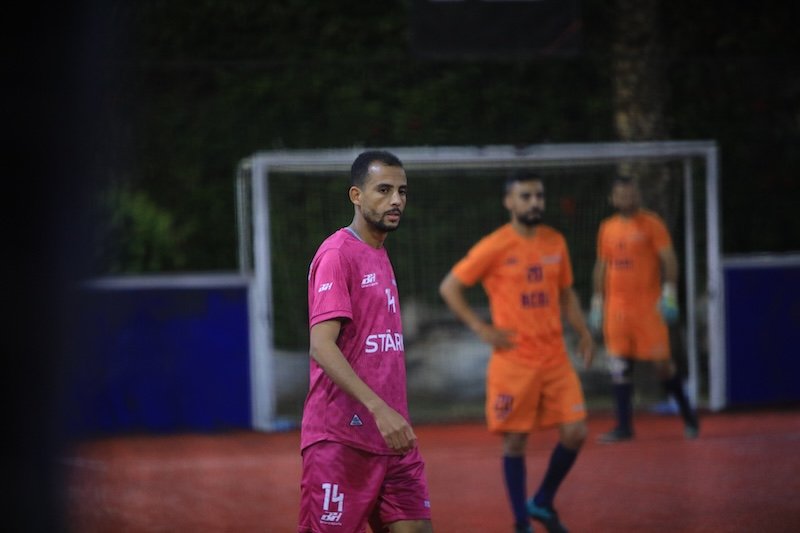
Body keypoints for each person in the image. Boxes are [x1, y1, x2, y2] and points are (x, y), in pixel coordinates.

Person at [439, 172, 594, 533]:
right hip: (514, 360)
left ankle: (542, 501)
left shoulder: (555, 241)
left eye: (539, 196)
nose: (535, 202)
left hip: (555, 357)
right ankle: (522, 522)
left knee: (576, 432)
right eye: (526, 196)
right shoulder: (495, 246)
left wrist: (584, 332)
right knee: (515, 441)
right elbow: (450, 287)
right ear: (509, 202)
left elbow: (566, 293)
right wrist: (481, 328)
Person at [298, 151, 433, 533]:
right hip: (342, 439)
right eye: (384, 190)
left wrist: (390, 415)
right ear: (356, 195)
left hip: (394, 438)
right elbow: (322, 345)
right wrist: (378, 408)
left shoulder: (379, 254)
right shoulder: (337, 254)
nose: (396, 200)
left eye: (402, 191)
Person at [589, 176, 699, 443]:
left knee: (663, 365)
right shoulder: (607, 228)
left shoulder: (652, 223)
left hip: (648, 309)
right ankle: (624, 426)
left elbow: (668, 259)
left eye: (631, 194)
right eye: (621, 194)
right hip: (617, 310)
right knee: (619, 365)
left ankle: (688, 415)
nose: (626, 199)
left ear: (637, 195)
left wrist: (669, 293)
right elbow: (602, 265)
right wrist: (597, 301)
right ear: (613, 199)